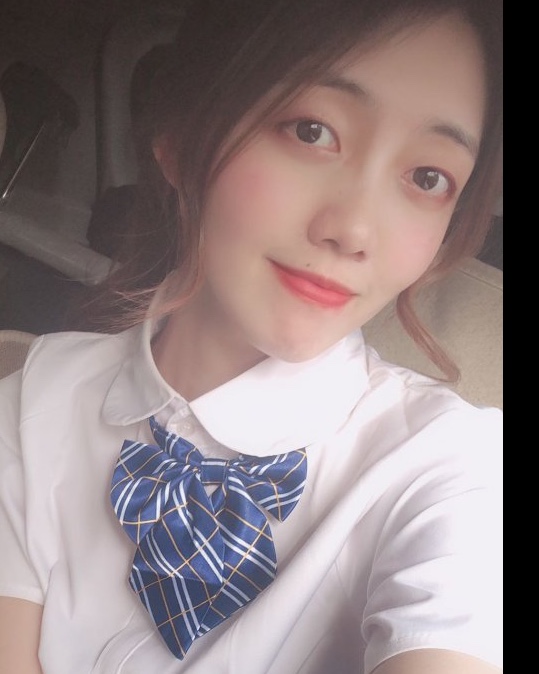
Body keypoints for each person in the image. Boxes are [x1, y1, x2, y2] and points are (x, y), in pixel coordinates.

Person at [0, 0, 503, 672]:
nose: (353, 230)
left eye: (427, 178)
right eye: (312, 131)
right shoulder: (33, 398)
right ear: (180, 137)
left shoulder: (449, 466)